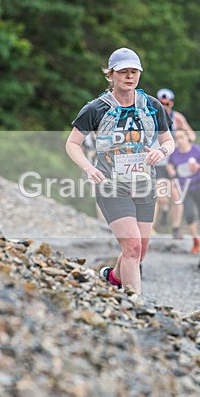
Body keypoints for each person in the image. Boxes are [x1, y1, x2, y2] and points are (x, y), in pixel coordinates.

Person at [65, 48, 174, 295]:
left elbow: (168, 141)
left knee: (139, 252)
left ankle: (111, 277)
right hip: (112, 185)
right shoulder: (96, 108)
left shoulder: (153, 106)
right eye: (123, 71)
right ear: (111, 75)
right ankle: (136, 304)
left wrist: (162, 152)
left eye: (134, 72)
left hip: (145, 184)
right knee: (133, 247)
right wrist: (88, 167)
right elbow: (72, 144)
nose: (129, 76)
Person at [153, 88, 196, 238]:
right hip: (158, 161)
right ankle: (158, 219)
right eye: (162, 103)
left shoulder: (176, 118)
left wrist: (183, 140)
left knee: (177, 196)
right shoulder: (151, 116)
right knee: (161, 197)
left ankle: (176, 228)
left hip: (173, 161)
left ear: (171, 103)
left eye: (167, 103)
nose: (165, 106)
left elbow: (192, 135)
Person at [167, 129, 200, 254]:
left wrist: (199, 167)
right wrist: (170, 169)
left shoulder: (196, 150)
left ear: (188, 137)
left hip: (198, 187)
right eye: (176, 138)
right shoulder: (174, 153)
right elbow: (169, 164)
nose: (179, 140)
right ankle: (195, 242)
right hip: (184, 189)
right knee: (189, 215)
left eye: (181, 137)